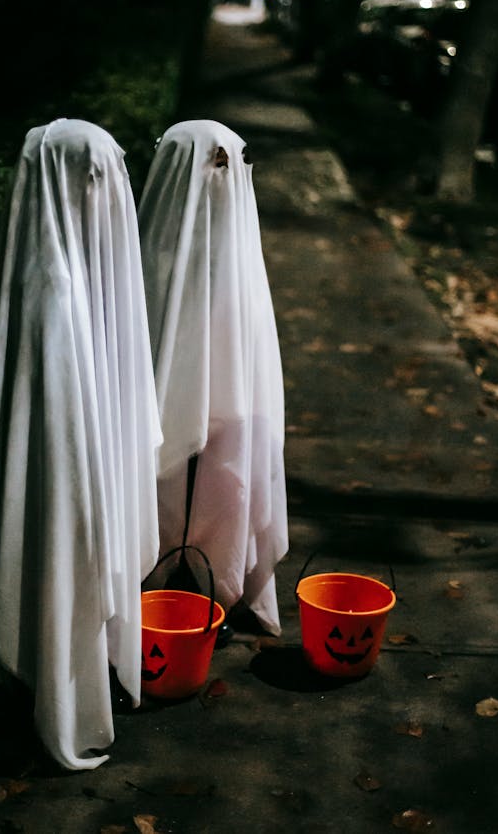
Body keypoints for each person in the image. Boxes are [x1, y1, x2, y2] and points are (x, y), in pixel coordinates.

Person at [0, 118, 161, 770]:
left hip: (72, 482)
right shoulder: (53, 288)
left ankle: (58, 676)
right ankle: (63, 700)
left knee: (59, 567)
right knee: (62, 565)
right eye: (97, 181)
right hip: (66, 490)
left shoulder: (74, 272)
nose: (108, 196)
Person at [138, 119, 288, 637]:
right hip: (166, 420)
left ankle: (203, 586)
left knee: (220, 476)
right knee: (170, 479)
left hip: (225, 425)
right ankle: (159, 581)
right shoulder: (151, 251)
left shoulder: (237, 255)